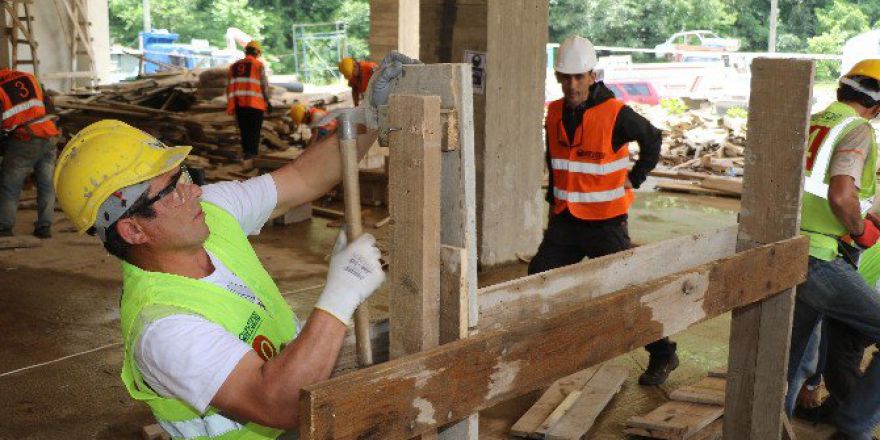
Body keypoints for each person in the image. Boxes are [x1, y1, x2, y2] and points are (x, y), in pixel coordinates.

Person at [52, 52, 419, 439]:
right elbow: (277, 403)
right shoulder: (163, 328)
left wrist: (366, 117)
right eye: (171, 190)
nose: (191, 191)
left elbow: (303, 179)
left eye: (184, 176)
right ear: (134, 231)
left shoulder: (209, 213)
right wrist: (340, 296)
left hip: (308, 398)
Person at [529, 35, 674, 385]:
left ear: (593, 75)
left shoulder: (615, 114)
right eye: (565, 77)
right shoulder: (553, 111)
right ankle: (537, 355)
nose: (572, 84)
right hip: (566, 220)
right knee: (537, 282)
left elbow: (652, 138)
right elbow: (557, 163)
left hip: (605, 223)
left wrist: (635, 177)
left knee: (627, 291)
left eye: (579, 77)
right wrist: (554, 207)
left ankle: (663, 353)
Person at [785, 59, 880, 440]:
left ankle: (768, 425)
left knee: (785, 361)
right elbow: (842, 197)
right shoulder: (857, 130)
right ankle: (853, 428)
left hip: (790, 251)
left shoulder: (811, 122)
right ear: (875, 105)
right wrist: (859, 229)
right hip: (821, 258)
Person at [0, 68, 60, 238]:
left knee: (10, 185)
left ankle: (4, 227)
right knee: (46, 184)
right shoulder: (28, 77)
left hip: (25, 139)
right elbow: (49, 106)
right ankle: (44, 228)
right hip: (49, 134)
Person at [227, 40, 271, 159]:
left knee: (244, 130)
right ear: (257, 52)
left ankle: (247, 152)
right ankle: (252, 154)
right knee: (254, 130)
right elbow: (263, 85)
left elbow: (230, 86)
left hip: (239, 104)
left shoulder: (234, 66)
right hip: (255, 104)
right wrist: (268, 100)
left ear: (246, 51)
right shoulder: (258, 65)